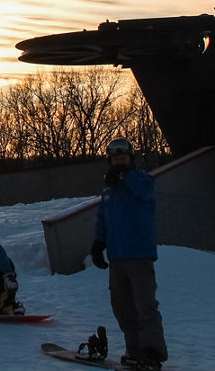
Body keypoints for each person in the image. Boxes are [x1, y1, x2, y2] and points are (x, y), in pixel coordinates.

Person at [89, 138, 168, 371]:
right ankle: (134, 350)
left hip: (139, 254)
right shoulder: (109, 189)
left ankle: (152, 354)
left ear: (131, 160)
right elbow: (102, 218)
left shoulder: (142, 180)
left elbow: (144, 190)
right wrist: (98, 243)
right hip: (117, 256)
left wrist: (126, 175)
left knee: (145, 305)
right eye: (115, 160)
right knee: (122, 306)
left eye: (123, 159)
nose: (119, 163)